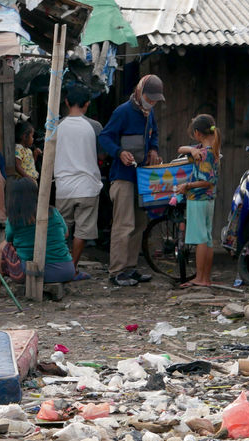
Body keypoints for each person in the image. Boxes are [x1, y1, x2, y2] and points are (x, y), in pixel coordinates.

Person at [99, 74, 164, 287]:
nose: (152, 102)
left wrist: (153, 149)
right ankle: (116, 271)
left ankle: (130, 267)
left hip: (142, 176)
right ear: (139, 91)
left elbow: (153, 136)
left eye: (155, 100)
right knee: (123, 224)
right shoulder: (122, 112)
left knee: (139, 223)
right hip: (123, 177)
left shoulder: (149, 113)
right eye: (150, 98)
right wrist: (119, 152)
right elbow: (105, 137)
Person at [0, 178, 75, 297]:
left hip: (34, 272)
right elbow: (66, 233)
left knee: (2, 246)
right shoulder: (53, 211)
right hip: (66, 271)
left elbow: (9, 239)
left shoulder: (14, 219)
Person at [54, 84, 103, 279]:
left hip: (63, 187)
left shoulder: (57, 127)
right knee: (82, 230)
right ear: (88, 104)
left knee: (61, 229)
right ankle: (72, 268)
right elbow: (102, 153)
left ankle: (59, 266)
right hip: (88, 186)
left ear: (66, 102)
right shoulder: (94, 126)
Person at [176, 114, 221, 288]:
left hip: (198, 198)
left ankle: (200, 279)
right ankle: (205, 278)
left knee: (201, 239)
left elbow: (207, 181)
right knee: (207, 239)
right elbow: (181, 149)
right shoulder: (210, 149)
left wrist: (187, 185)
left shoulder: (204, 153)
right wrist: (191, 149)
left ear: (197, 133)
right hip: (209, 199)